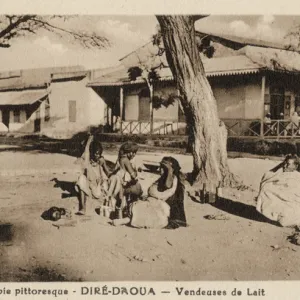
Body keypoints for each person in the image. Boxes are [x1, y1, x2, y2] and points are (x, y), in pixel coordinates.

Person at [112, 156, 187, 229]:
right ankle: (125, 219)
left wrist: (170, 170)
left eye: (163, 168)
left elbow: (167, 185)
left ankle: (126, 220)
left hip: (159, 204)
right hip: (152, 201)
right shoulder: (164, 176)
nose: (160, 170)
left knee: (141, 209)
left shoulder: (171, 177)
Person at [256, 154, 300, 227]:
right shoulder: (280, 174)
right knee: (267, 188)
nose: (285, 166)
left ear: (295, 166)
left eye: (288, 164)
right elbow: (267, 177)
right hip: (282, 202)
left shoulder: (297, 176)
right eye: (284, 163)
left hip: (294, 204)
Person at [75, 135, 111, 215]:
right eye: (96, 154)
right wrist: (89, 141)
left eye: (99, 154)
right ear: (92, 153)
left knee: (105, 180)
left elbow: (108, 173)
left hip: (98, 189)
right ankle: (83, 208)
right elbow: (86, 151)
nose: (98, 156)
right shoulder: (87, 161)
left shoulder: (101, 161)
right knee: (81, 178)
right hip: (89, 187)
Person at [108, 142, 143, 218]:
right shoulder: (126, 160)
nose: (134, 155)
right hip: (122, 184)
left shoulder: (120, 158)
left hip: (117, 183)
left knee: (120, 200)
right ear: (128, 152)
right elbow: (133, 175)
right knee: (138, 189)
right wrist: (137, 171)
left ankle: (119, 216)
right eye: (133, 152)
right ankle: (131, 213)